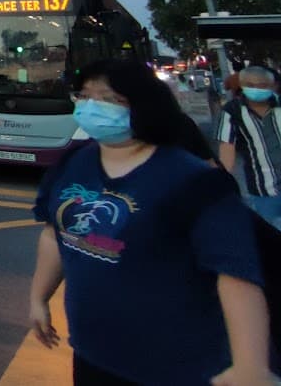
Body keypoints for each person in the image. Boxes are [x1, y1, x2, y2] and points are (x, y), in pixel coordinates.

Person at [27, 59, 272, 385]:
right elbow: (53, 235)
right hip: (92, 355)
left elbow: (235, 274)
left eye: (109, 99)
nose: (91, 106)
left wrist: (250, 366)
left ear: (144, 106)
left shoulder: (193, 180)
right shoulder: (74, 163)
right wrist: (38, 298)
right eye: (84, 96)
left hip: (178, 367)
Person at [218, 64, 281, 228]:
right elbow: (227, 151)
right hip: (262, 189)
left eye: (262, 85)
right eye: (251, 85)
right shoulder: (232, 111)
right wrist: (222, 182)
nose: (257, 89)